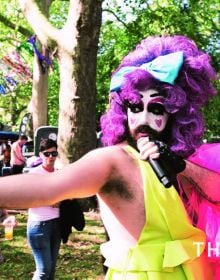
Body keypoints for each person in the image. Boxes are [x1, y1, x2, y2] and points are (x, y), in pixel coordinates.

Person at [0, 35, 218, 279]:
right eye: (135, 107)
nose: (142, 119)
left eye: (156, 108)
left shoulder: (181, 161)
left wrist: (182, 167)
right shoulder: (114, 160)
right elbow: (48, 186)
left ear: (177, 113)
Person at [27, 138, 61, 280]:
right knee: (43, 270)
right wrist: (49, 201)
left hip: (56, 224)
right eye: (47, 154)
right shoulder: (34, 174)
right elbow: (27, 199)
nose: (51, 157)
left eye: (54, 153)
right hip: (39, 226)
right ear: (41, 155)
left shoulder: (60, 173)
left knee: (51, 270)